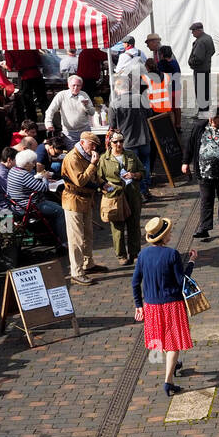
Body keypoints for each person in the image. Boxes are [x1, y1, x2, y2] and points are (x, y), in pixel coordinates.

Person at [133, 216, 198, 395]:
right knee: (173, 343)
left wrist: (139, 305)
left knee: (160, 338)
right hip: (172, 305)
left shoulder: (143, 255)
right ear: (164, 236)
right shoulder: (172, 254)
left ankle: (174, 363)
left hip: (152, 305)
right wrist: (191, 262)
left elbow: (135, 282)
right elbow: (181, 281)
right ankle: (168, 381)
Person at [183, 105, 219, 240]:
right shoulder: (200, 127)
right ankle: (204, 227)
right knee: (206, 199)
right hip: (204, 172)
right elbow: (190, 145)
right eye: (213, 118)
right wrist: (185, 162)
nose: (215, 121)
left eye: (218, 118)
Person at [60, 131, 108, 286]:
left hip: (86, 200)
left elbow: (93, 176)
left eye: (95, 145)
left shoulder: (87, 156)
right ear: (82, 142)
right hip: (73, 201)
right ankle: (76, 272)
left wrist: (102, 183)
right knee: (76, 238)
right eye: (91, 144)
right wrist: (93, 164)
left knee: (88, 234)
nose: (93, 148)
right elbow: (80, 180)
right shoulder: (72, 158)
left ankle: (88, 263)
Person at [97, 132, 144, 264]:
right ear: (109, 143)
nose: (119, 144)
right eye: (115, 142)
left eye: (121, 141)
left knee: (134, 224)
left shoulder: (131, 155)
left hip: (132, 194)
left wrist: (134, 175)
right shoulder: (104, 159)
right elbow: (99, 178)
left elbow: (143, 172)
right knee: (117, 226)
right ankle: (121, 255)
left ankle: (135, 253)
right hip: (115, 196)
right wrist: (104, 186)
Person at [6, 149, 67, 248]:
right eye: (33, 163)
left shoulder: (13, 170)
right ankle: (64, 241)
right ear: (26, 164)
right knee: (60, 211)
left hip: (19, 204)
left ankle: (56, 235)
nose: (34, 165)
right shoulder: (24, 175)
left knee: (56, 206)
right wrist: (45, 177)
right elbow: (43, 188)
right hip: (29, 207)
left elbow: (29, 183)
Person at [109, 67, 154, 199]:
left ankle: (140, 191)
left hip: (128, 141)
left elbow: (112, 126)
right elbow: (150, 114)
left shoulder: (114, 104)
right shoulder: (140, 98)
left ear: (117, 89)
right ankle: (145, 189)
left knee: (133, 168)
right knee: (145, 164)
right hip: (144, 138)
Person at [45, 74, 97, 141]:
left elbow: (92, 113)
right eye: (73, 85)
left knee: (86, 151)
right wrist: (49, 123)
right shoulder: (61, 95)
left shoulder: (84, 94)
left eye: (78, 85)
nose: (76, 88)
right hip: (69, 133)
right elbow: (50, 110)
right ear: (68, 85)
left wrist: (86, 105)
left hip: (84, 131)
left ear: (81, 86)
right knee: (71, 151)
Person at [187, 22, 216, 117]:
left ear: (199, 30)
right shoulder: (208, 37)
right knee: (205, 91)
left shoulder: (200, 41)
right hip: (206, 68)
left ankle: (203, 113)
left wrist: (191, 62)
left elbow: (198, 58)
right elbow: (212, 51)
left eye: (193, 31)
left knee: (200, 93)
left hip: (200, 70)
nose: (192, 33)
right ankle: (204, 111)